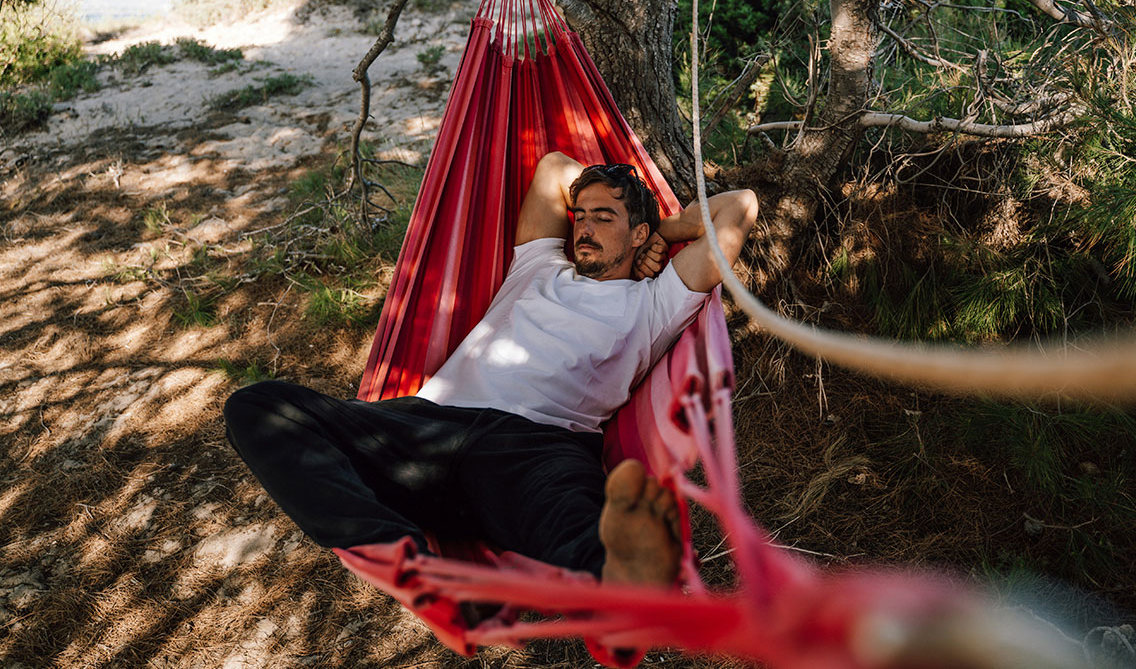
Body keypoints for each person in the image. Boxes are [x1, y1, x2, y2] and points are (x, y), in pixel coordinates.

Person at [223, 152, 757, 589]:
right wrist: (615, 205)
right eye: (582, 216)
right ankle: (394, 552)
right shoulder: (539, 265)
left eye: (605, 218)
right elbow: (554, 166)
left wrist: (664, 228)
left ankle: (632, 609)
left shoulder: (655, 302)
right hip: (427, 425)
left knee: (604, 558)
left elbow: (739, 206)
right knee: (258, 407)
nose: (585, 228)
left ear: (637, 234)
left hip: (537, 450)